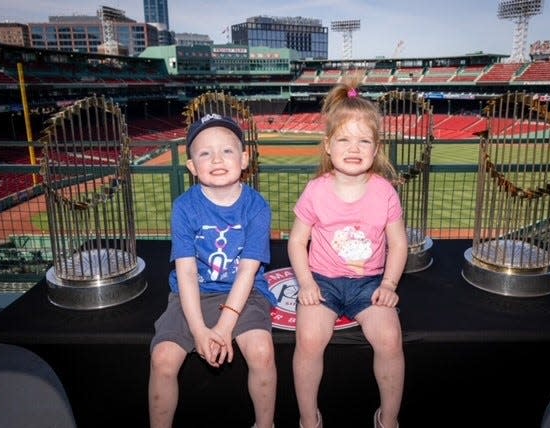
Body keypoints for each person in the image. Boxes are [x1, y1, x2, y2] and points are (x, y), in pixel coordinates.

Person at [288, 78, 407, 428]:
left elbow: (398, 243)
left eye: (363, 140)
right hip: (322, 282)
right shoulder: (316, 190)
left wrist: (388, 283)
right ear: (328, 145)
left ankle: (389, 418)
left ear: (376, 148)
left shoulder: (384, 191)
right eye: (343, 138)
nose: (353, 148)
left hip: (368, 284)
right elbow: (297, 242)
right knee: (308, 339)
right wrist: (306, 283)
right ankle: (309, 418)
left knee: (389, 337)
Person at [148, 113, 277, 428]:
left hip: (244, 293)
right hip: (192, 294)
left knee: (261, 351)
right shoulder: (184, 206)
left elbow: (248, 272)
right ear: (192, 166)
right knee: (162, 358)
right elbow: (187, 273)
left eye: (227, 150)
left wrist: (222, 328)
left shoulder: (257, 206)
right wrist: (199, 330)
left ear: (245, 159)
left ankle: (265, 424)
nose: (216, 159)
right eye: (204, 153)